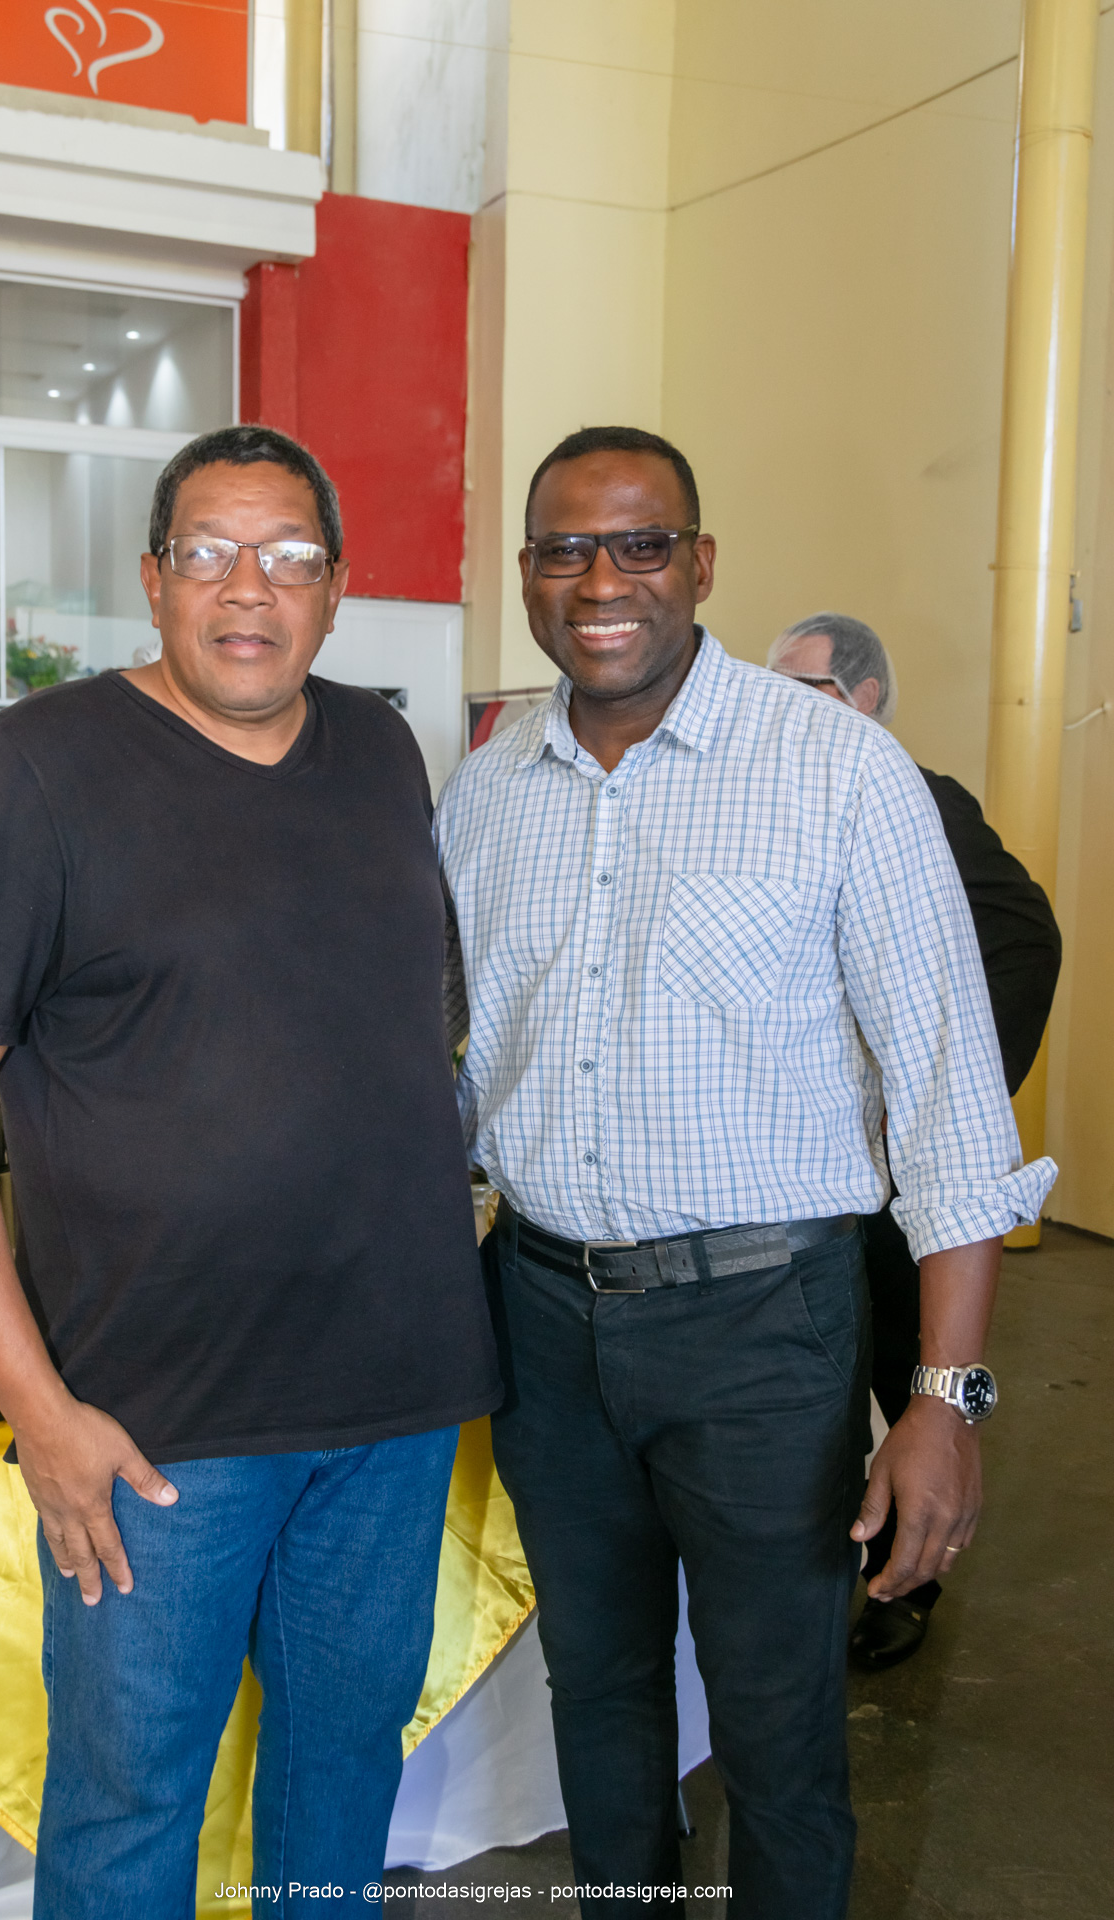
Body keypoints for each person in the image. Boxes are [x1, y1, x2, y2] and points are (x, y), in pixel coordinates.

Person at [0, 424, 500, 1920]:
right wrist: (42, 1413)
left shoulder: (379, 753)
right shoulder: (36, 767)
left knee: (342, 1781)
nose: (247, 588)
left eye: (288, 556)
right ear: (153, 580)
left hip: (392, 1403)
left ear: (335, 588)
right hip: (155, 1431)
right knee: (130, 1807)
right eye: (208, 552)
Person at [435, 424, 1055, 1920]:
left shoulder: (838, 773)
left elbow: (950, 1107)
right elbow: (455, 1069)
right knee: (600, 1697)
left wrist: (942, 1399)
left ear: (699, 565)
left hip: (763, 1329)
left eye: (639, 544)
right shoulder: (484, 793)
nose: (602, 580)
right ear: (525, 573)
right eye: (565, 549)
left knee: (779, 1731)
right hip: (543, 1319)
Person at [769, 612, 1062, 1667]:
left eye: (806, 691)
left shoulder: (915, 797)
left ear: (866, 699)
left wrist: (937, 1097)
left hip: (893, 1178)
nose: (782, 712)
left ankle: (907, 1580)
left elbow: (1024, 935)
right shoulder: (770, 801)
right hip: (796, 1176)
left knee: (909, 1366)